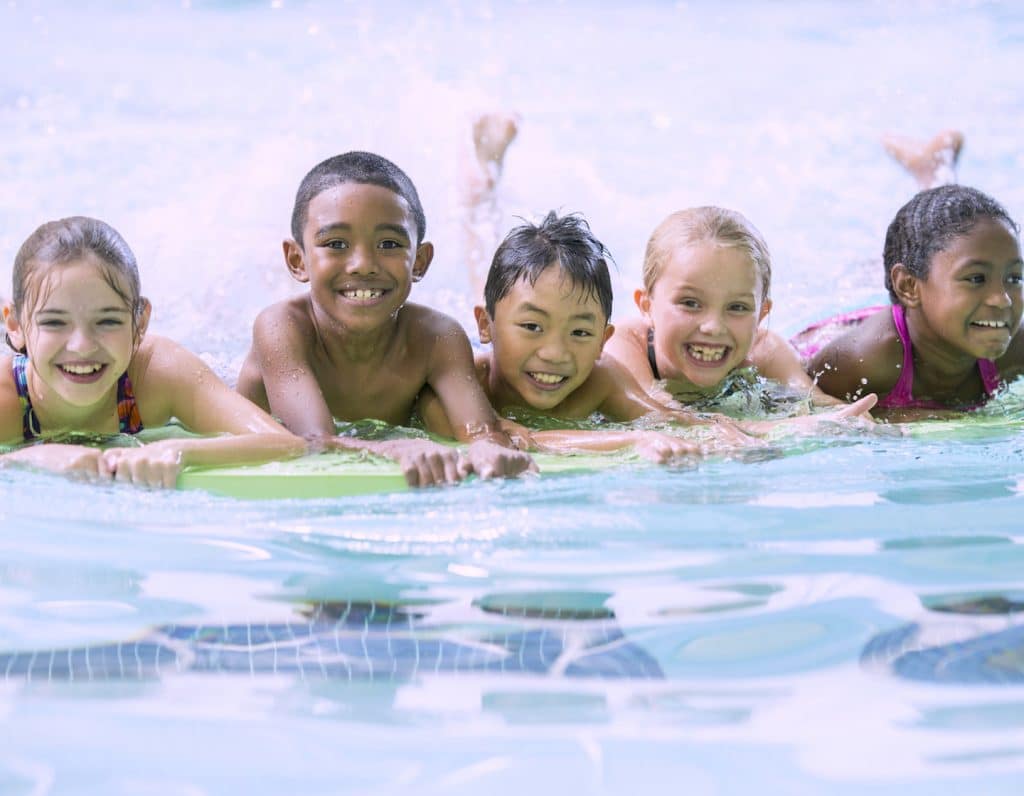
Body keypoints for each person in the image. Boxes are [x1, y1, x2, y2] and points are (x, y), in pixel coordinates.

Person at [236, 150, 535, 486]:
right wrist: (392, 449)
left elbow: (481, 431)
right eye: (336, 243)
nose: (363, 264)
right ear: (297, 260)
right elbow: (312, 443)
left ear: (419, 261)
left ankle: (481, 183)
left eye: (389, 243)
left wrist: (488, 448)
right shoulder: (281, 328)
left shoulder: (437, 337)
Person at [419, 211, 758, 461]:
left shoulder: (601, 379)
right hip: (490, 340)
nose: (555, 353)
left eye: (580, 332)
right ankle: (479, 193)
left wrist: (721, 432)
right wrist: (632, 441)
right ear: (484, 325)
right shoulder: (457, 384)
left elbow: (671, 422)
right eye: (532, 328)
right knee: (490, 276)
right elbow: (500, 441)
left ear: (602, 341)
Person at [0, 216, 306, 487]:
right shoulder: (7, 400)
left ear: (140, 322)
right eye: (54, 322)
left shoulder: (157, 372)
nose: (81, 346)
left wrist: (177, 450)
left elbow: (288, 445)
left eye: (107, 321)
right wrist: (33, 458)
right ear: (15, 324)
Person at [603, 206, 875, 418]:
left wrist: (857, 420)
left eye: (737, 307)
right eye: (690, 303)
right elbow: (657, 416)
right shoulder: (623, 346)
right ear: (646, 306)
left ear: (761, 316)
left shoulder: (765, 351)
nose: (713, 327)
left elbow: (818, 405)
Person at [802, 183, 1023, 417]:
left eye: (1015, 278)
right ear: (909, 286)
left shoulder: (1014, 348)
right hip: (842, 329)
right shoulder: (863, 362)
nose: (1002, 300)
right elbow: (795, 406)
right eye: (977, 278)